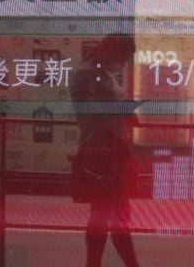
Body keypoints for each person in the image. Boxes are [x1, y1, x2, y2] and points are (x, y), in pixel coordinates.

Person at [70, 34, 141, 267]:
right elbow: (94, 114)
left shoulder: (97, 72)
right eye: (124, 56)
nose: (123, 61)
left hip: (108, 152)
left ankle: (95, 263)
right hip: (105, 154)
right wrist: (124, 112)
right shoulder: (91, 75)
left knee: (103, 215)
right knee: (113, 215)